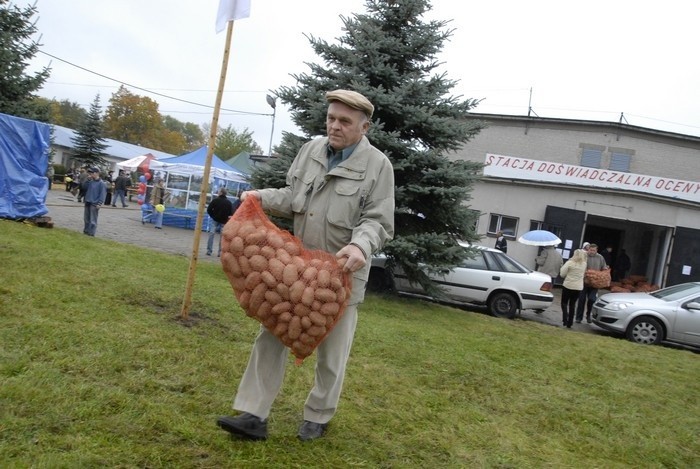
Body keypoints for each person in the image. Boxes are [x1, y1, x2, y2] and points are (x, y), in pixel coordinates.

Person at [217, 89, 395, 442]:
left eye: (345, 121)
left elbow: (378, 221)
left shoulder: (378, 166)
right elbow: (292, 197)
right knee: (270, 336)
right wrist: (260, 197)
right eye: (331, 118)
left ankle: (318, 414)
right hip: (296, 271)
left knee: (332, 352)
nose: (334, 126)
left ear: (365, 126)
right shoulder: (311, 150)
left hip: (340, 279)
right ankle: (253, 413)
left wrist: (361, 245)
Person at [575, 243, 607, 323]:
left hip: (594, 283)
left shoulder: (600, 257)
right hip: (584, 282)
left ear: (597, 250)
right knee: (581, 300)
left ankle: (588, 315)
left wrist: (604, 273)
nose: (592, 252)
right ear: (588, 249)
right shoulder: (584, 256)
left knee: (592, 299)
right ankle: (579, 318)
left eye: (594, 250)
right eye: (590, 250)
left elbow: (604, 268)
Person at [559, 249, 588, 328]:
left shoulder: (570, 263)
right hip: (578, 287)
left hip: (568, 285)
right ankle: (570, 322)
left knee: (564, 303)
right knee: (572, 304)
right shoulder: (584, 264)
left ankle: (565, 319)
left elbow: (562, 274)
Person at [206, 187, 237, 253]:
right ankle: (220, 252)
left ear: (221, 193)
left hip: (215, 220)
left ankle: (209, 250)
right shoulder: (229, 202)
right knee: (222, 237)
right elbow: (231, 213)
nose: (217, 192)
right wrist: (226, 219)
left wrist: (213, 216)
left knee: (211, 234)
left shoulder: (215, 200)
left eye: (218, 191)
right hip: (224, 222)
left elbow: (209, 209)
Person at [82, 167, 107, 236]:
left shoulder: (101, 183)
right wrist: (87, 180)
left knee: (93, 220)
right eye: (90, 173)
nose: (91, 174)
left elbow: (102, 194)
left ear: (97, 173)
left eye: (92, 173)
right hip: (87, 201)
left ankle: (91, 233)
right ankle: (86, 231)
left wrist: (99, 203)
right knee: (86, 218)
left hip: (94, 203)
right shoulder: (90, 181)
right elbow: (83, 187)